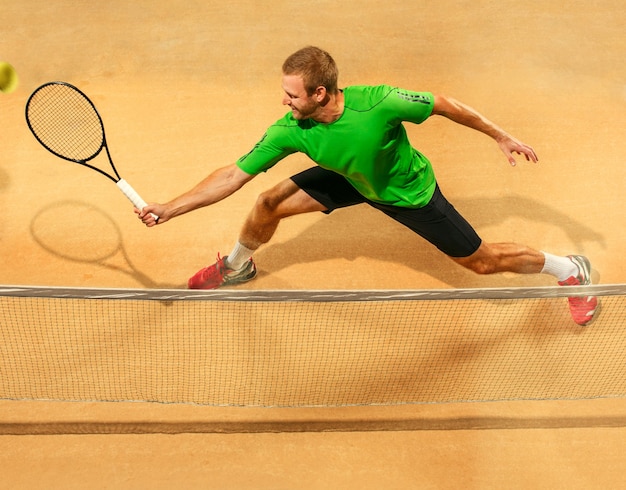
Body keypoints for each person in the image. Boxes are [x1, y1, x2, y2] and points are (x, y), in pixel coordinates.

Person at [136, 46, 598, 326]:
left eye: (292, 94)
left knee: (480, 261)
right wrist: (170, 208)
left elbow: (443, 104)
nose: (284, 100)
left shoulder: (377, 103)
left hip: (405, 192)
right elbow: (234, 174)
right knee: (267, 200)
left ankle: (569, 269)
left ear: (320, 93)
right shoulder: (291, 129)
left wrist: (499, 134)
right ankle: (238, 266)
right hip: (349, 178)